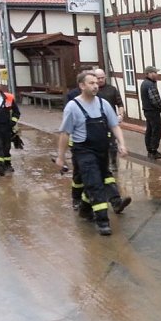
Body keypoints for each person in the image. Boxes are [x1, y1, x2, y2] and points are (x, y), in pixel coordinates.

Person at [56, 71, 132, 236]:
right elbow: (64, 134)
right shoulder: (73, 107)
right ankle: (103, 221)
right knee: (95, 184)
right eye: (91, 83)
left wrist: (122, 144)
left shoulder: (104, 104)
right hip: (83, 151)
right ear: (82, 86)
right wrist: (61, 157)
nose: (96, 85)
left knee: (102, 178)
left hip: (102, 150)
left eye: (96, 82)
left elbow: (114, 125)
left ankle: (84, 209)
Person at [93, 68, 125, 169]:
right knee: (99, 143)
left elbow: (120, 103)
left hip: (110, 121)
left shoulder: (112, 89)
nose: (101, 80)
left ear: (105, 77)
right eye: (98, 78)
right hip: (96, 121)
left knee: (112, 143)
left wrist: (120, 115)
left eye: (102, 78)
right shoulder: (93, 90)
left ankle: (113, 162)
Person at [139, 66, 161, 159]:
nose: (157, 74)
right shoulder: (150, 85)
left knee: (149, 130)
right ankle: (154, 151)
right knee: (156, 131)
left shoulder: (144, 84)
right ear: (149, 73)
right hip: (153, 111)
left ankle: (149, 149)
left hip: (147, 111)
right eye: (155, 72)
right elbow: (155, 100)